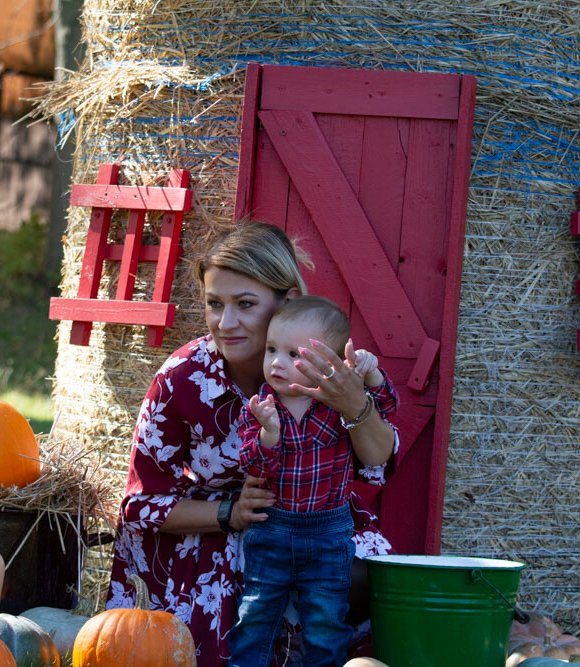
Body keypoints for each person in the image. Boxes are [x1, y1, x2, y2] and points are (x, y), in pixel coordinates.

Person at [105, 221, 398, 666]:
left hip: (313, 523)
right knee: (247, 598)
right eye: (214, 304)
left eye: (245, 304)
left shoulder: (326, 369)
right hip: (214, 531)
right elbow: (139, 505)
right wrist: (231, 513)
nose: (226, 323)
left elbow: (377, 461)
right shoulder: (183, 379)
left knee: (363, 577)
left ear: (288, 301)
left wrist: (355, 403)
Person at [229, 296, 397, 667]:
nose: (277, 362)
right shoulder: (260, 408)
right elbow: (252, 465)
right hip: (273, 528)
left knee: (326, 619)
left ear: (329, 364)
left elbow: (385, 409)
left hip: (328, 533)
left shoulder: (338, 404)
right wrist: (269, 434)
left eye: (294, 354)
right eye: (272, 349)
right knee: (256, 613)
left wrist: (371, 375)